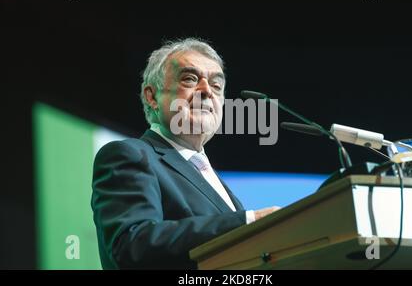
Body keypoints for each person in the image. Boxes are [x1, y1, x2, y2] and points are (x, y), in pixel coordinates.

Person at [91, 38, 280, 269]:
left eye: (216, 85)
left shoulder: (219, 185)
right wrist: (248, 221)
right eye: (190, 79)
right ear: (152, 97)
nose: (206, 91)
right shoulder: (129, 155)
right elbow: (133, 245)